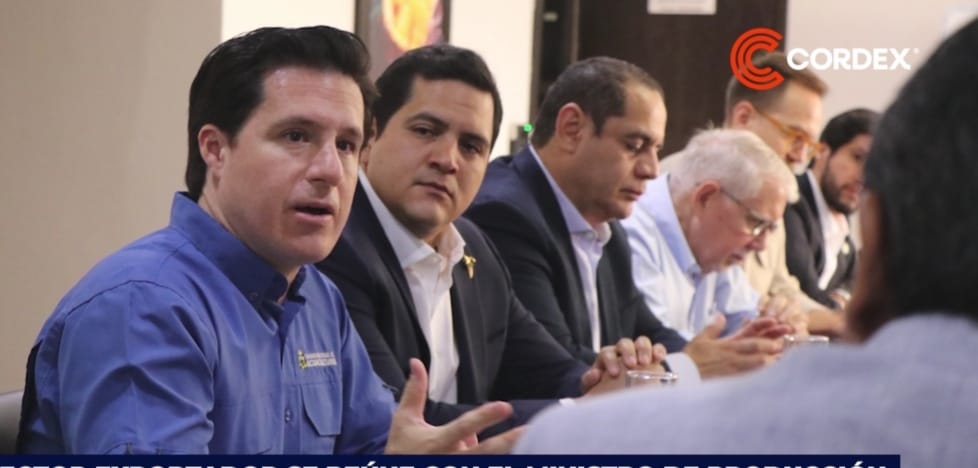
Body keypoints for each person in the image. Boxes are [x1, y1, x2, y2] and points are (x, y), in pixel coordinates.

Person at [17, 26, 517, 454]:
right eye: (296, 136)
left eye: (346, 145)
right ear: (216, 149)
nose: (330, 170)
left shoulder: (317, 297)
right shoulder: (143, 308)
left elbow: (371, 446)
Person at [516, 19, 978, 465]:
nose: (651, 170)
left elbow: (721, 324)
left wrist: (741, 344)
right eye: (796, 135)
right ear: (706, 197)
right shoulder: (620, 220)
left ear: (873, 230)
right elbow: (565, 366)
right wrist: (695, 364)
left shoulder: (572, 443)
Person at [316, 45, 659, 436]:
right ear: (370, 136)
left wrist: (607, 378)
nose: (447, 160)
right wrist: (579, 410)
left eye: (471, 146)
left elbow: (544, 368)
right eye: (426, 131)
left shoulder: (474, 247)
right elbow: (401, 422)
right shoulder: (334, 246)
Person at [466, 57, 786, 382]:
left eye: (656, 150)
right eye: (634, 146)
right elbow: (553, 369)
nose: (652, 169)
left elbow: (648, 331)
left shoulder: (607, 228)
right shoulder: (506, 216)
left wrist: (728, 355)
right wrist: (689, 368)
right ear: (571, 129)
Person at [663, 51, 834, 334]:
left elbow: (781, 289)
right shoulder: (676, 183)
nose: (800, 157)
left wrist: (795, 314)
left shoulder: (769, 195)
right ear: (743, 118)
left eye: (809, 144)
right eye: (795, 136)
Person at [622, 128, 799, 339]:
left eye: (770, 228)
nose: (761, 245)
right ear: (705, 198)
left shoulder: (715, 248)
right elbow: (660, 344)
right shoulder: (631, 234)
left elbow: (746, 322)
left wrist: (780, 326)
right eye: (755, 222)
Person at [785, 108, 879, 310]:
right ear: (822, 151)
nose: (864, 177)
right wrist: (840, 307)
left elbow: (852, 280)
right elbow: (804, 290)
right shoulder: (790, 201)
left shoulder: (843, 227)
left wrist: (842, 298)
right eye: (858, 158)